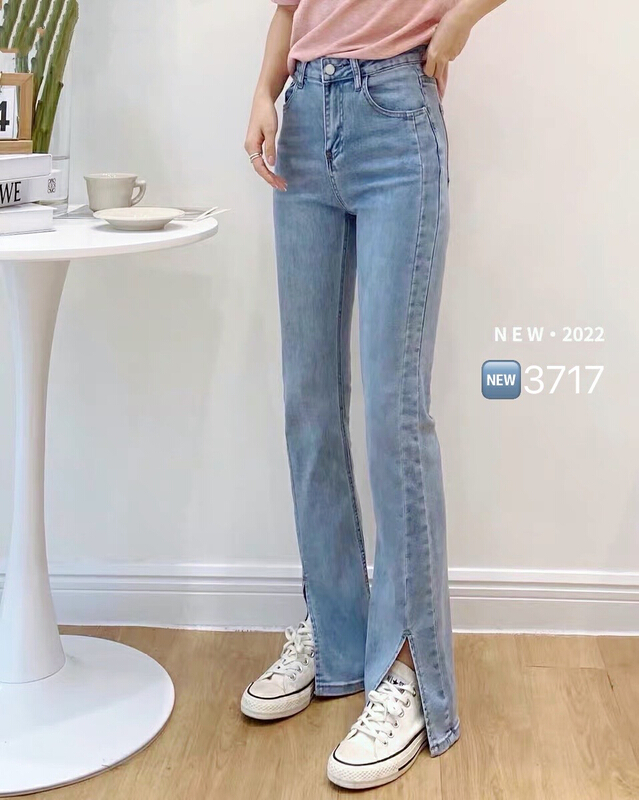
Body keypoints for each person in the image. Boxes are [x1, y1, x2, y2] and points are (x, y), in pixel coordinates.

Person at [242, 0, 506, 789]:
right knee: (309, 402)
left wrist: (459, 21)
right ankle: (335, 634)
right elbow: (288, 8)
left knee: (394, 413)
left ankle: (405, 666)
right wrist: (263, 91)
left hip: (394, 115)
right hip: (301, 119)